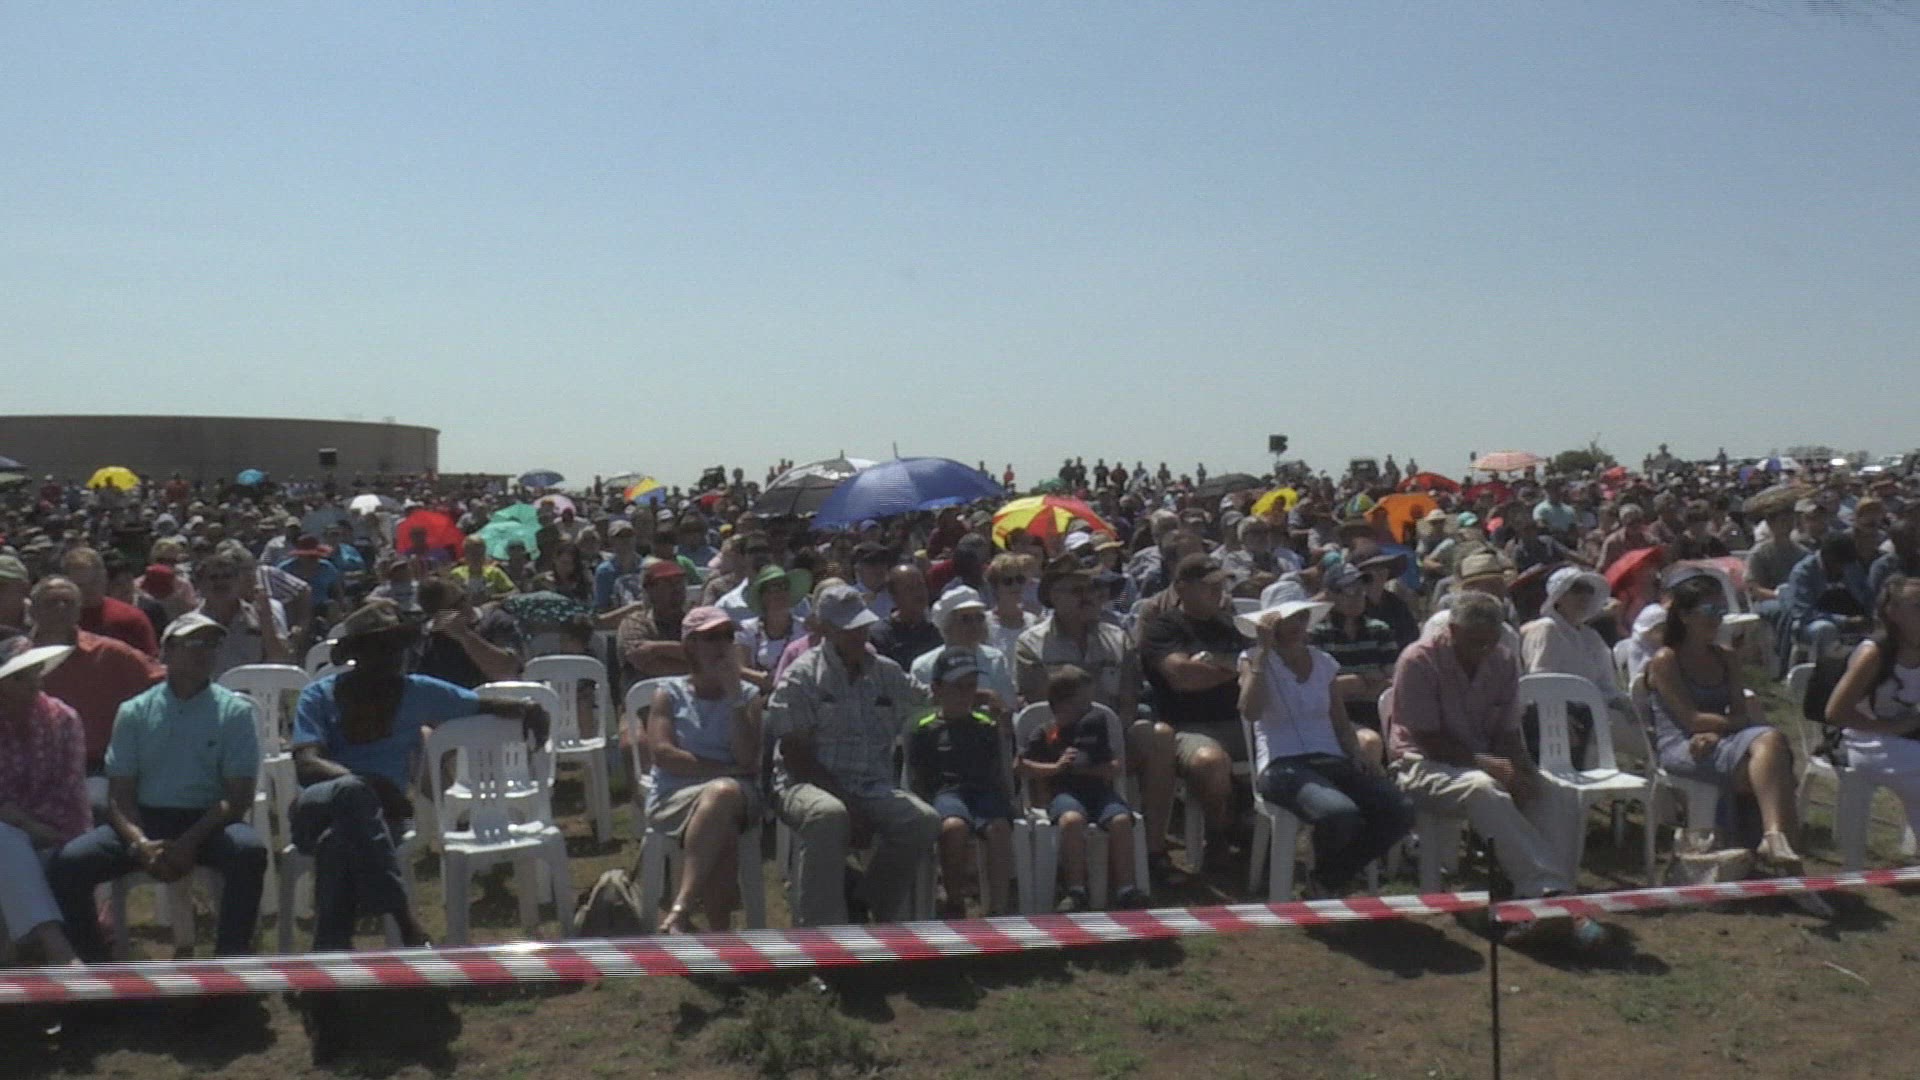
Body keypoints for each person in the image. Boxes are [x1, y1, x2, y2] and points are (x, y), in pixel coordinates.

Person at [287, 599, 549, 951]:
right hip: (319, 810)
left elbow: (478, 704)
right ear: (357, 654)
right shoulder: (320, 695)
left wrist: (528, 708)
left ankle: (331, 951)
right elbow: (306, 763)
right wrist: (372, 786)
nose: (393, 657)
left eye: (399, 647)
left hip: (380, 821)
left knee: (336, 844)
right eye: (381, 647)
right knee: (351, 792)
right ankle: (404, 920)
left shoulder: (416, 690)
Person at [50, 614, 269, 960]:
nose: (205, 652)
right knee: (69, 864)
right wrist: (140, 844)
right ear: (168, 651)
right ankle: (95, 963)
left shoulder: (234, 712)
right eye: (194, 643)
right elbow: (120, 794)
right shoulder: (135, 712)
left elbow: (237, 797)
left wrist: (189, 841)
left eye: (212, 644)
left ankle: (231, 960)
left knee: (248, 853)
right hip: (147, 819)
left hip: (209, 821)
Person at [1389, 592, 1584, 901]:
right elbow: (1427, 738)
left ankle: (1561, 885)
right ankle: (1542, 887)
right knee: (1481, 789)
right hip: (1422, 764)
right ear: (1453, 631)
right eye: (1474, 642)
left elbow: (1507, 730)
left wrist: (1521, 768)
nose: (1483, 651)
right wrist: (1484, 763)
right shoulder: (1419, 661)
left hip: (1482, 759)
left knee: (1553, 794)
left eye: (1490, 642)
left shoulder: (1502, 660)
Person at [764, 583, 938, 926]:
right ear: (826, 629)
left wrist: (973, 696)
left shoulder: (885, 671)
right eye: (849, 628)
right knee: (829, 815)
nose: (859, 634)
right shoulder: (802, 676)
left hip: (871, 783)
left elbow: (927, 700)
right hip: (806, 783)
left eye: (862, 625)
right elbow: (796, 754)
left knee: (923, 821)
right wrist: (849, 806)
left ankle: (867, 901)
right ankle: (823, 933)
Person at [1648, 576, 1820, 885]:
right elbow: (1692, 720)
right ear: (1684, 615)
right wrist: (1720, 728)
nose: (1717, 619)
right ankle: (1788, 866)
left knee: (1770, 751)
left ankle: (1775, 841)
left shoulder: (1726, 657)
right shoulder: (1666, 659)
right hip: (1684, 746)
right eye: (1708, 611)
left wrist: (1719, 731)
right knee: (1775, 761)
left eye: (1721, 611)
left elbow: (1740, 712)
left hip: (1721, 741)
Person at [1238, 598, 1413, 897]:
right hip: (1281, 764)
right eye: (1287, 618)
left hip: (1329, 757)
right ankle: (1330, 883)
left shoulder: (1323, 662)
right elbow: (1249, 711)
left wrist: (1356, 753)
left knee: (1400, 810)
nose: (1296, 624)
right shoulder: (1253, 659)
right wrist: (1262, 656)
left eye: (1301, 617)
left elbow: (1339, 720)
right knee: (1339, 813)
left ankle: (1328, 878)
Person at [645, 607, 761, 934]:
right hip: (675, 793)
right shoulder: (668, 694)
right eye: (711, 637)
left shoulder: (748, 696)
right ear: (691, 646)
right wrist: (726, 770)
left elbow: (748, 757)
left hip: (738, 796)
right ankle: (721, 934)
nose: (722, 645)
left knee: (722, 796)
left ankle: (681, 907)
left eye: (727, 636)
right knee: (721, 825)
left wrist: (734, 698)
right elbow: (663, 754)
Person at [1140, 554, 1247, 873]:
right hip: (1187, 727)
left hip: (1240, 723)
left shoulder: (1231, 627)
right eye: (1208, 586)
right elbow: (1183, 677)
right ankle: (1218, 834)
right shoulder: (1163, 628)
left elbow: (1259, 666)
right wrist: (1235, 667)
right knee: (1209, 762)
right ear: (1182, 587)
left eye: (1221, 585)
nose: (1217, 592)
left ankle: (1256, 827)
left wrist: (1215, 666)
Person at [1018, 665, 1148, 911]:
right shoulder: (1046, 732)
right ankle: (1075, 889)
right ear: (1062, 704)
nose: (1088, 709)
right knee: (1072, 820)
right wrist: (1057, 767)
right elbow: (1022, 767)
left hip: (1099, 792)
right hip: (1063, 793)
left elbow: (1114, 766)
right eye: (1083, 703)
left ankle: (1127, 888)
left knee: (1121, 820)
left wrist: (1085, 769)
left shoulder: (1095, 727)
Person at [908, 647, 1017, 917]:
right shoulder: (924, 728)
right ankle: (955, 899)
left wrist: (1004, 725)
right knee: (954, 827)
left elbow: (1002, 766)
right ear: (938, 689)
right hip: (946, 793)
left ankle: (998, 907)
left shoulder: (986, 724)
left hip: (984, 792)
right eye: (957, 687)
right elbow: (917, 774)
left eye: (971, 687)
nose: (965, 694)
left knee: (999, 828)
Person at [0, 639, 88, 965]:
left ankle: (15, 952)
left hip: (58, 827)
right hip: (11, 830)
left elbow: (69, 788)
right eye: (18, 677)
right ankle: (55, 945)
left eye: (34, 673)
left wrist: (29, 825)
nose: (32, 684)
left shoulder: (64, 719)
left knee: (8, 846)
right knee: (7, 841)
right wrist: (22, 825)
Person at [29, 575, 166, 776]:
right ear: (32, 610)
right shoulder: (15, 658)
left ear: (79, 611)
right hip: (30, 769)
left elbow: (161, 680)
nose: (61, 607)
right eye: (51, 602)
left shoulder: (109, 653)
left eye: (68, 602)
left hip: (97, 770)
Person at [1824, 574, 1920, 846]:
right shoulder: (1874, 654)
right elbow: (1835, 712)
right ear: (1893, 612)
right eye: (1918, 606)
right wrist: (1892, 728)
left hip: (1906, 736)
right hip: (1865, 739)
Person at [1519, 568, 1634, 764]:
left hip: (1594, 713)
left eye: (1589, 591)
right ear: (1559, 596)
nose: (1584, 596)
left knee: (1640, 730)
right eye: (1576, 589)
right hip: (1555, 718)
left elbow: (1606, 683)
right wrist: (1560, 716)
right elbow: (1539, 682)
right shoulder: (1547, 628)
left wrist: (1623, 705)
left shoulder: (1591, 636)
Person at [1308, 562, 1399, 753]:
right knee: (1369, 743)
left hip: (1379, 712)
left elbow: (1392, 682)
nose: (1358, 596)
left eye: (1361, 589)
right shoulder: (1317, 635)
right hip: (1334, 718)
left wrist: (1357, 683)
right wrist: (1365, 681)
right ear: (1330, 595)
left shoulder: (1380, 630)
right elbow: (1315, 689)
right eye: (1349, 590)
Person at [191, 547, 292, 676]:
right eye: (213, 577)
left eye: (227, 576)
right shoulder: (190, 624)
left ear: (239, 581)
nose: (221, 582)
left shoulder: (260, 616)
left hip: (253, 686)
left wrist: (266, 621)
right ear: (201, 585)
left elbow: (281, 660)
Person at [61, 546, 159, 656]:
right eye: (80, 585)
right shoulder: (57, 620)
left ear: (104, 577)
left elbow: (150, 661)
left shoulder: (131, 618)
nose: (89, 590)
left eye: (94, 582)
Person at [1786, 534, 1871, 660]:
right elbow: (1803, 613)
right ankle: (1826, 668)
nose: (1843, 568)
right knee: (1825, 628)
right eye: (1839, 563)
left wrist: (1870, 616)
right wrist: (1844, 621)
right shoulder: (1803, 572)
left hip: (1854, 618)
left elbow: (1866, 596)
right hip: (1816, 623)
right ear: (1826, 556)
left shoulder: (1852, 566)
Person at [736, 565, 805, 692]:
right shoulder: (746, 629)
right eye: (774, 588)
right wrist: (763, 680)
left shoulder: (804, 629)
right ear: (762, 596)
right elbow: (740, 669)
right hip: (756, 695)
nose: (781, 593)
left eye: (785, 587)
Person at [869, 564, 942, 670]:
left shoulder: (938, 631)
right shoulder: (879, 636)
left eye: (921, 585)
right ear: (894, 595)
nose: (918, 593)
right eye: (910, 588)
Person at [447, 535, 516, 603]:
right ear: (465, 554)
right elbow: (447, 598)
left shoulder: (494, 572)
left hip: (490, 608)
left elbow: (515, 591)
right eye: (473, 553)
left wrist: (492, 597)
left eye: (480, 553)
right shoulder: (456, 574)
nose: (477, 557)